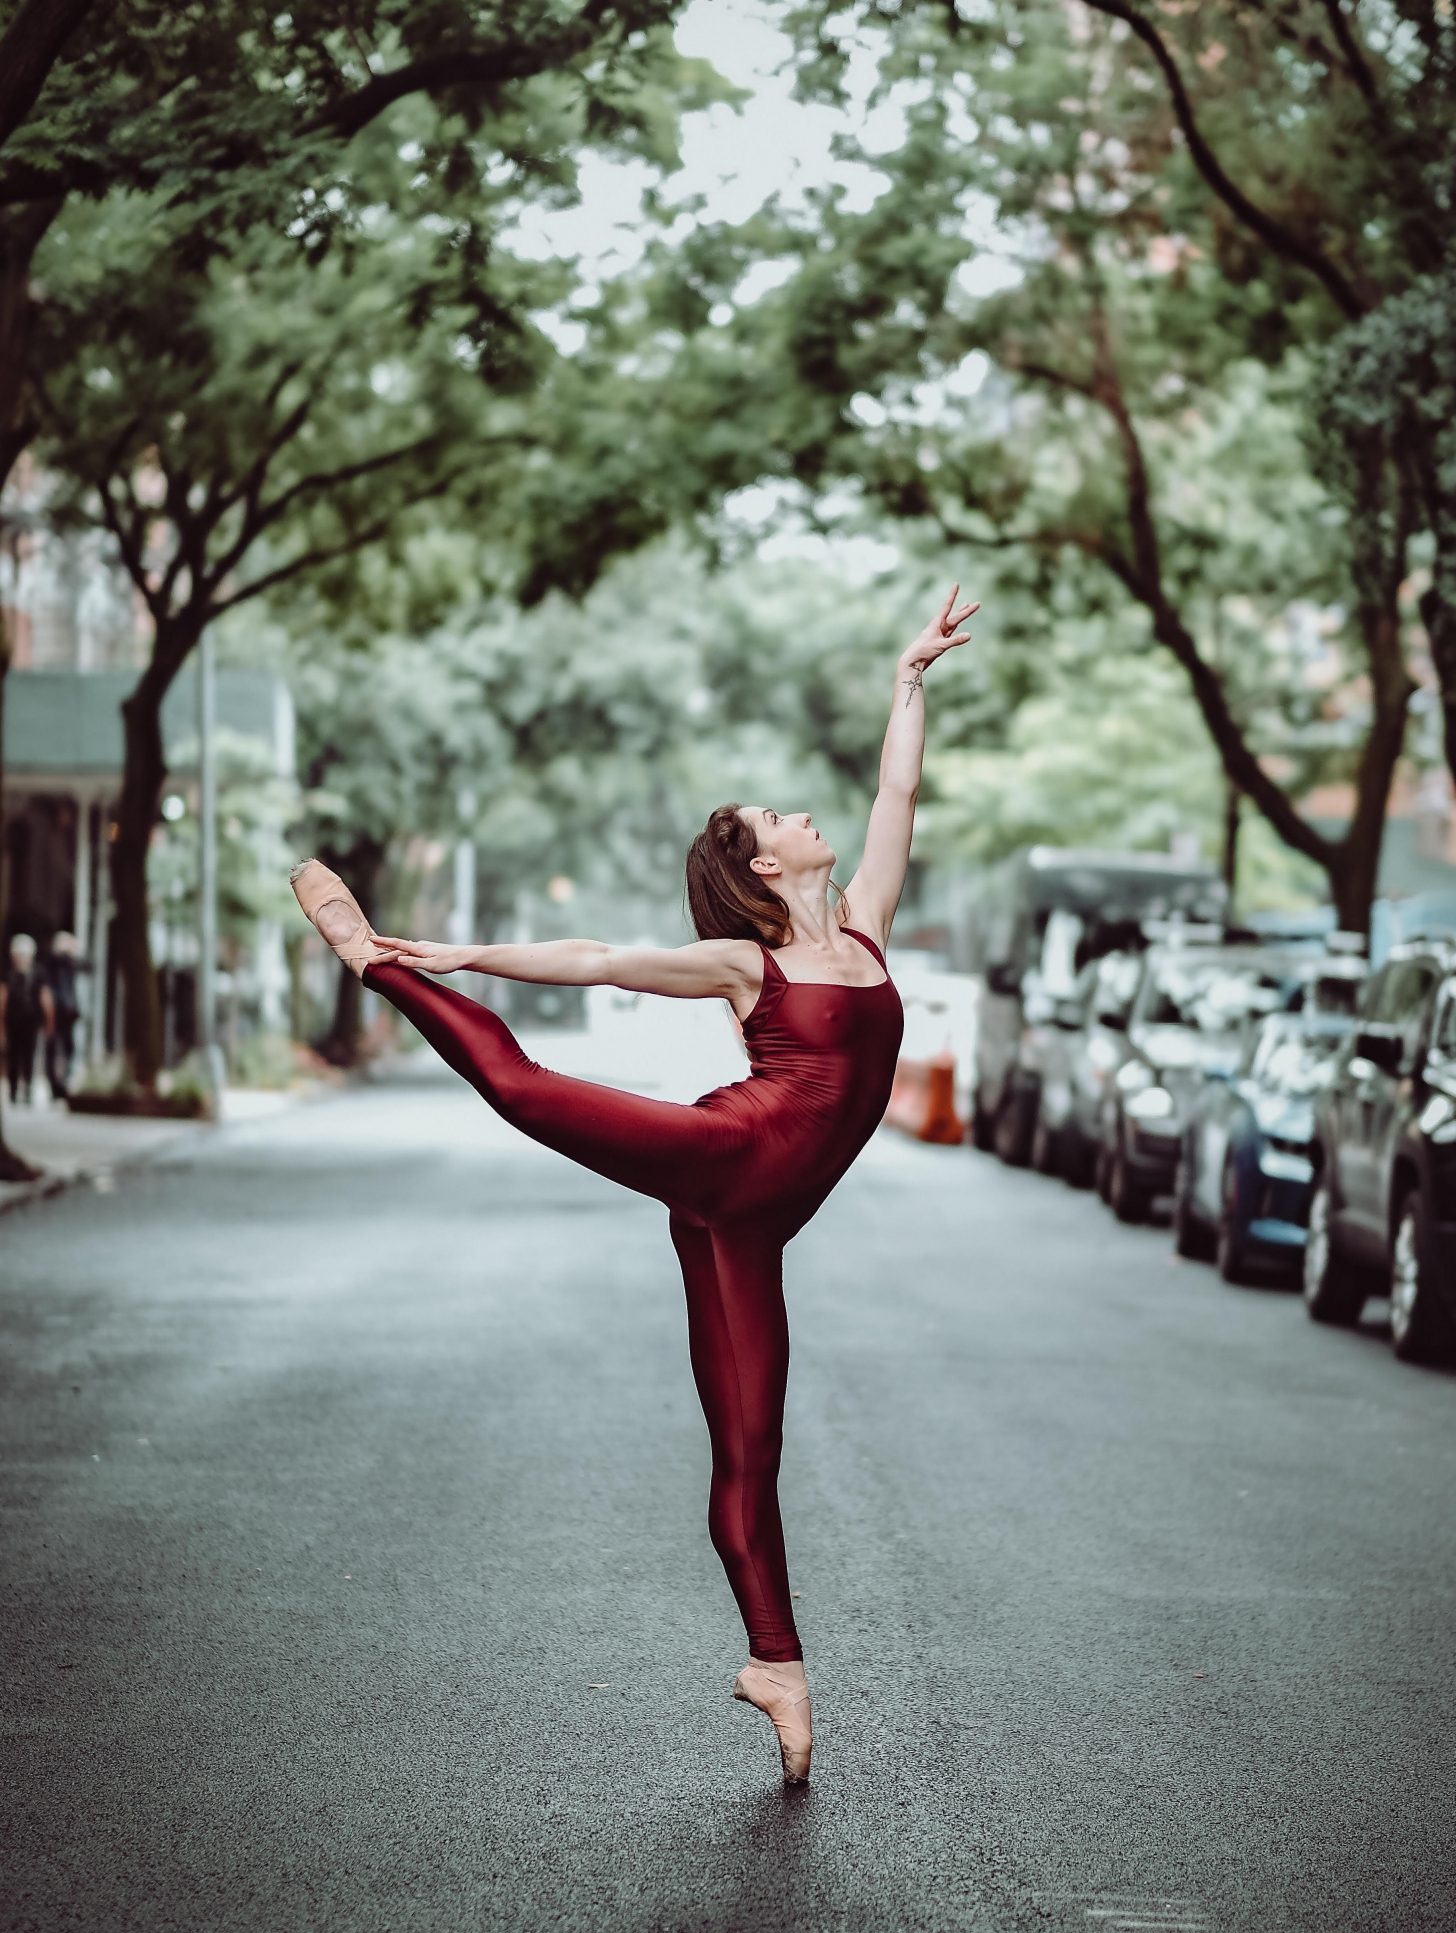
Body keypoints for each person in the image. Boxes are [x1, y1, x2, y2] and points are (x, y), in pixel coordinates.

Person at [289, 586, 978, 1785]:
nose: (803, 813)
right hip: (727, 1155)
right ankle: (378, 965)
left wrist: (907, 679)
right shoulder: (742, 962)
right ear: (761, 862)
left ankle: (777, 1664)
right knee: (519, 1086)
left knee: (750, 1444)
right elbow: (597, 957)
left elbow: (897, 794)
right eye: (778, 814)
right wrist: (454, 951)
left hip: (755, 1222)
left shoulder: (865, 927)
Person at [4, 935, 55, 1105]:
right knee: (20, 1056)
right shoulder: (30, 972)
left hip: (26, 1022)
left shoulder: (14, 973)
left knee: (20, 1055)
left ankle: (19, 1091)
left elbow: (45, 999)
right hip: (19, 1021)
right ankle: (20, 1091)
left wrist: (49, 1022)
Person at [44, 932, 82, 1101]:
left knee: (67, 1049)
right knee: (55, 1049)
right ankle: (57, 1086)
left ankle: (61, 1084)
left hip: (65, 1012)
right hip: (56, 1012)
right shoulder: (54, 963)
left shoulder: (68, 964)